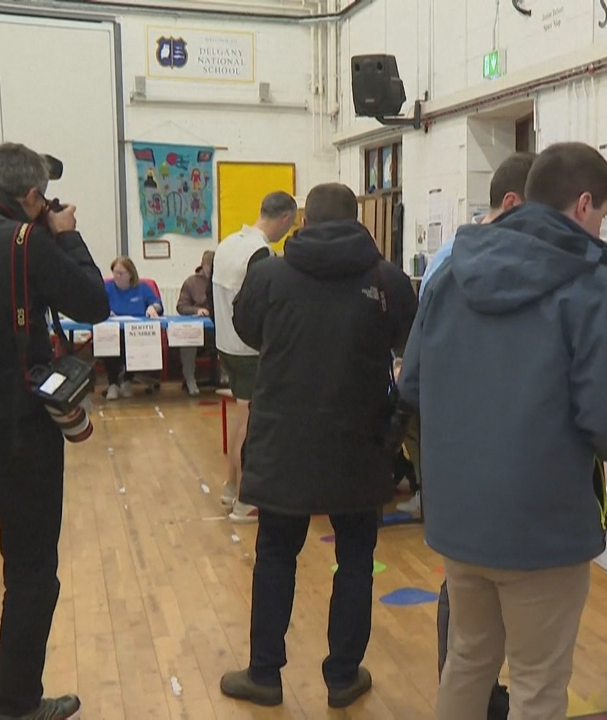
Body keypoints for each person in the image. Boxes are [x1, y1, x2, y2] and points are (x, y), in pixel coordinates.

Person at [400, 142, 607, 720]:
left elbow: (410, 385)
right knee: (538, 683)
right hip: (543, 522)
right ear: (584, 204)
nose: (603, 229)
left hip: (458, 517)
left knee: (468, 660)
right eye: (605, 215)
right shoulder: (595, 285)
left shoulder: (451, 270)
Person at [218, 183, 416, 709]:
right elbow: (407, 343)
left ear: (305, 219)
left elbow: (248, 329)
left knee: (276, 555)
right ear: (357, 221)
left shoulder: (270, 273)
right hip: (361, 441)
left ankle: (264, 674)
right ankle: (343, 677)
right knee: (355, 559)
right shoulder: (387, 280)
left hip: (285, 437)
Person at [0, 143, 109, 720]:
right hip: (19, 427)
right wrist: (63, 233)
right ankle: (16, 703)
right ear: (32, 197)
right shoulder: (26, 240)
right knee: (32, 569)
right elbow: (93, 302)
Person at [407, 151, 535, 720]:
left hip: (457, 455)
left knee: (468, 605)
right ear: (511, 204)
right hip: (476, 450)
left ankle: (472, 691)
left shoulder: (447, 262)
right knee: (470, 604)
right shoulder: (460, 266)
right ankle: (476, 691)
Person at [211, 191, 298, 523]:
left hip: (225, 344)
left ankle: (231, 486)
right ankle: (246, 501)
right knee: (252, 423)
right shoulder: (260, 253)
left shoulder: (228, 242)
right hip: (248, 349)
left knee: (240, 415)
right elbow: (263, 305)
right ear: (285, 219)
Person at [101, 256, 163, 400]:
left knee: (132, 343)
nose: (116, 276)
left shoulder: (142, 288)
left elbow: (157, 304)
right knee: (109, 343)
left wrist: (152, 307)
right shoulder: (107, 287)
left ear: (130, 274)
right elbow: (96, 304)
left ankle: (127, 380)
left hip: (136, 332)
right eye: (114, 272)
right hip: (113, 331)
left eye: (121, 273)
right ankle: (113, 384)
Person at [176, 250, 215, 397]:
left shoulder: (222, 281)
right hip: (197, 328)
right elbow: (181, 307)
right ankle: (190, 378)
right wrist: (196, 310)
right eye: (210, 267)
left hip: (217, 327)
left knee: (232, 335)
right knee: (187, 339)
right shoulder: (191, 282)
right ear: (203, 265)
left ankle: (227, 376)